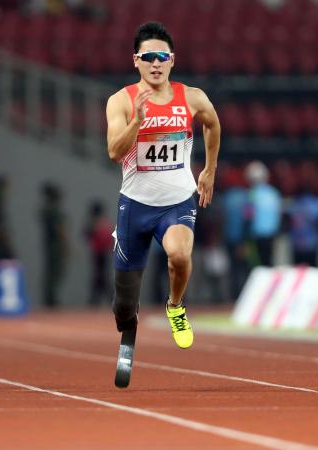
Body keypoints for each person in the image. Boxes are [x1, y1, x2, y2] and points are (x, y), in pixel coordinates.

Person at [104, 21, 220, 357]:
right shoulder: (121, 101)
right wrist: (137, 121)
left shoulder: (193, 97)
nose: (156, 63)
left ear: (172, 60)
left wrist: (210, 169)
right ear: (136, 61)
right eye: (149, 56)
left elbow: (213, 124)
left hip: (177, 203)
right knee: (123, 306)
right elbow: (113, 152)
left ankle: (175, 305)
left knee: (180, 254)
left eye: (162, 56)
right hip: (135, 206)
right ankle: (129, 323)